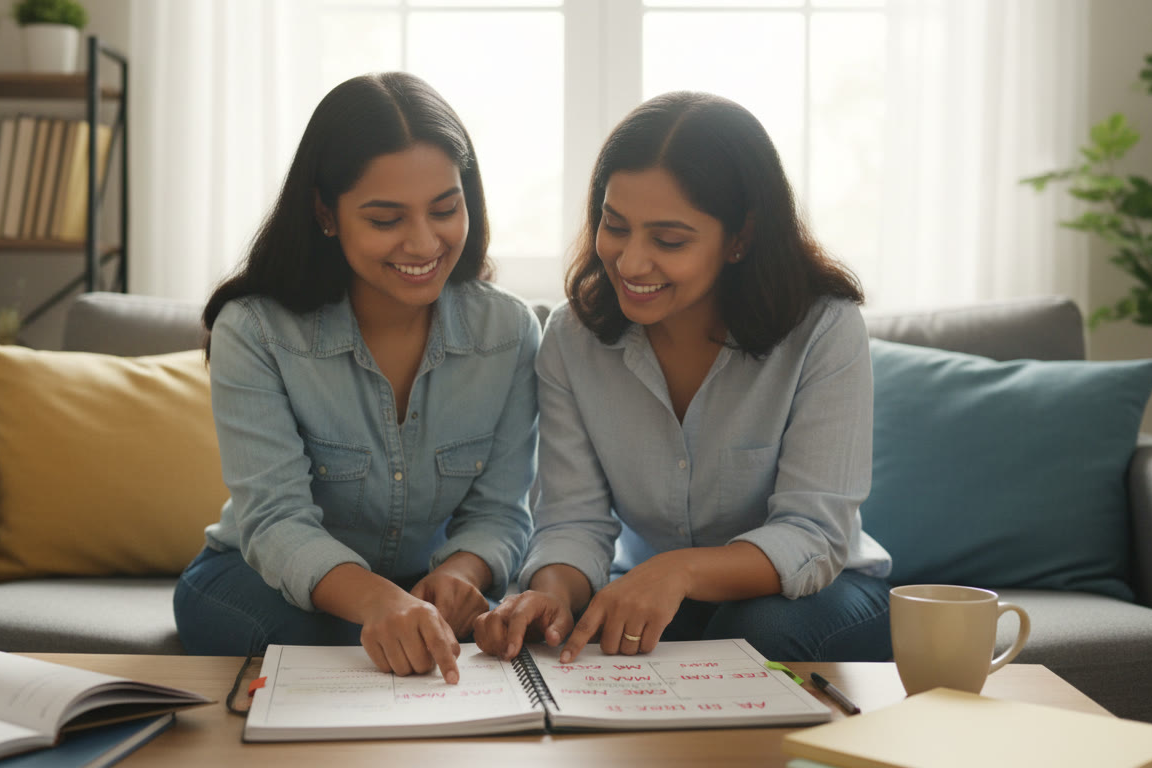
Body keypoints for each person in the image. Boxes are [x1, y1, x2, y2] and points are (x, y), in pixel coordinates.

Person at [473, 91, 893, 665]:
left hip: (821, 590)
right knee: (579, 637)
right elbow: (573, 520)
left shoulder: (823, 328)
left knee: (752, 631)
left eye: (668, 241)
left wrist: (678, 570)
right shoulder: (575, 337)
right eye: (614, 226)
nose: (629, 262)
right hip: (666, 588)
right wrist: (548, 597)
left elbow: (813, 536)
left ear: (741, 237)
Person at [175, 72, 540, 685]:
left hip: (414, 591)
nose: (424, 242)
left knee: (444, 641)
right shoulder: (255, 330)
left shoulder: (509, 332)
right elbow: (275, 523)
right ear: (325, 212)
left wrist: (462, 574)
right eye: (386, 219)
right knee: (344, 643)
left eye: (446, 209)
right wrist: (379, 602)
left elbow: (502, 513)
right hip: (256, 578)